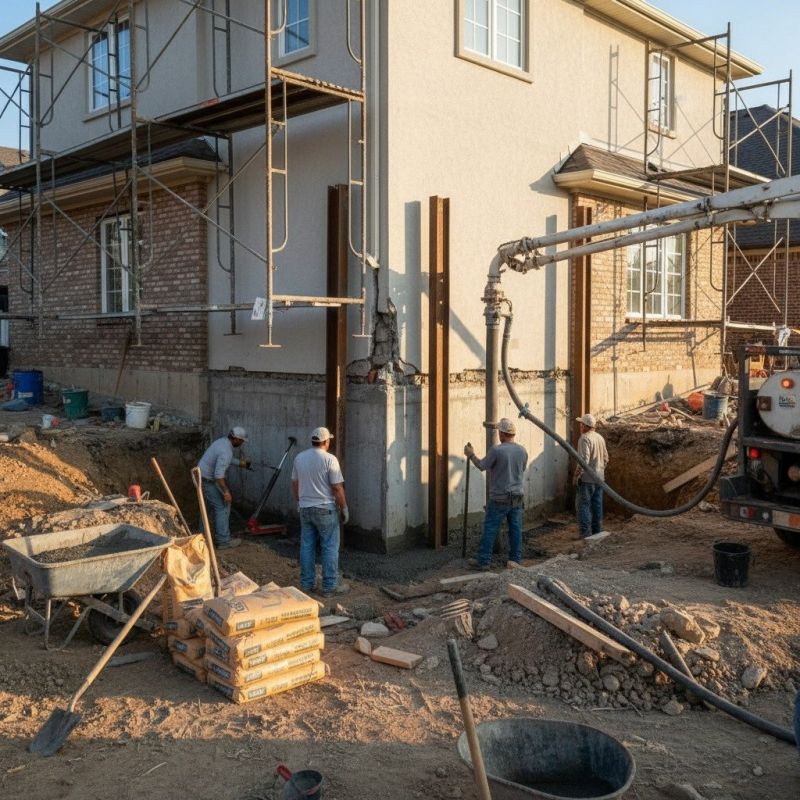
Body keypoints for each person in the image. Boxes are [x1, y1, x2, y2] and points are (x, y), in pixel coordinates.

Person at [291, 426, 349, 598]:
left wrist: (299, 502)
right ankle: (330, 587)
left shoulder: (300, 458)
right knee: (330, 547)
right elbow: (337, 487)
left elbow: (295, 483)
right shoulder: (330, 459)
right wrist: (344, 507)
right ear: (326, 441)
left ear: (312, 441)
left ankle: (307, 584)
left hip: (306, 508)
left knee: (307, 546)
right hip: (325, 509)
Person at [464, 417, 528, 571]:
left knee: (490, 529)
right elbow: (522, 469)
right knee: (515, 529)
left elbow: (481, 465)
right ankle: (515, 561)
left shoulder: (497, 450)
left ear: (502, 434)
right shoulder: (522, 450)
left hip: (500, 497)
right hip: (517, 496)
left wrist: (470, 454)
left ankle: (484, 561)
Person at [197, 426, 248, 550]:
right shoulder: (226, 451)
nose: (241, 444)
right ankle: (223, 541)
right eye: (241, 441)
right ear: (235, 439)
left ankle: (201, 538)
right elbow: (219, 476)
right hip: (208, 481)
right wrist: (226, 492)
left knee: (206, 508)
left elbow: (224, 460)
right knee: (222, 507)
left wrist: (241, 463)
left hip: (200, 477)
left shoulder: (222, 442)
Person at [574, 413, 609, 540]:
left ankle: (585, 534)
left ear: (585, 425)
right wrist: (599, 470)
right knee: (597, 505)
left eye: (581, 424)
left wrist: (577, 474)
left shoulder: (584, 438)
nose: (580, 426)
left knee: (584, 505)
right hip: (600, 478)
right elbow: (606, 458)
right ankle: (597, 532)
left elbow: (583, 460)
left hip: (587, 479)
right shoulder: (600, 437)